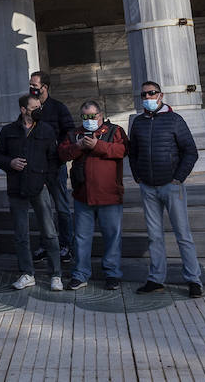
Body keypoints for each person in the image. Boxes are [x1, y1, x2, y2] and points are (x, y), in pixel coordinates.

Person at [126, 81, 203, 297]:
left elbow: (190, 151)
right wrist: (138, 176)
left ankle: (193, 280)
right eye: (143, 95)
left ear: (160, 95)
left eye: (151, 93)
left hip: (171, 185)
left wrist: (178, 178)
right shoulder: (138, 122)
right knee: (154, 236)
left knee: (183, 235)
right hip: (148, 187)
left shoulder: (175, 120)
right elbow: (133, 152)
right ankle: (156, 279)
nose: (147, 98)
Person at [0, 93, 62, 291]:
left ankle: (56, 274)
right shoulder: (8, 130)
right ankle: (27, 273)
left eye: (40, 107)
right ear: (23, 110)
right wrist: (10, 162)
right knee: (21, 234)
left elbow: (54, 159)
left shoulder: (46, 130)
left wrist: (47, 182)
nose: (38, 111)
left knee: (49, 231)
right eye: (34, 108)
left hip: (39, 186)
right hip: (16, 188)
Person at [58, 100, 127, 291]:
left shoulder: (115, 131)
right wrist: (78, 146)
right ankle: (80, 274)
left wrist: (98, 145)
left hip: (109, 195)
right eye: (85, 116)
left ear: (100, 115)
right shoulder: (74, 134)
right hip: (83, 195)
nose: (89, 119)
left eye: (92, 116)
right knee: (81, 238)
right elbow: (62, 154)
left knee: (112, 236)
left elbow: (122, 150)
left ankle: (112, 274)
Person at [28, 71, 75, 263]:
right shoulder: (29, 107)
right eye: (30, 85)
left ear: (44, 87)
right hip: (36, 166)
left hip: (55, 165)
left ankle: (66, 245)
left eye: (34, 85)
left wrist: (58, 148)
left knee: (62, 207)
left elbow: (70, 131)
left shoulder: (58, 107)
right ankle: (45, 244)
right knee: (42, 208)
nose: (31, 88)